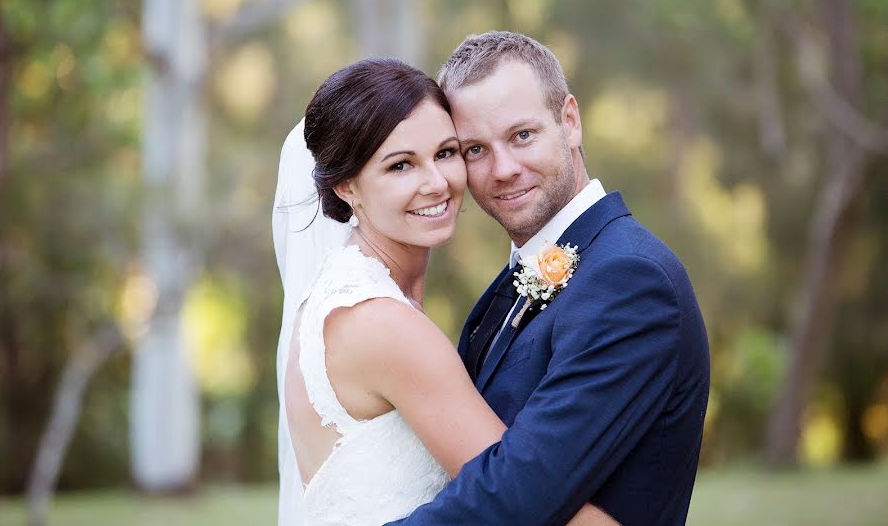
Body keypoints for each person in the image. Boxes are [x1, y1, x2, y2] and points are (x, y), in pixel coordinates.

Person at [272, 57, 615, 525]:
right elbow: (521, 503)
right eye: (401, 166)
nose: (437, 183)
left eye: (446, 153)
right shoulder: (379, 321)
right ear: (347, 186)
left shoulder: (350, 296)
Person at [387, 32, 711, 525]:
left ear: (570, 121)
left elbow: (521, 494)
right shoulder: (525, 274)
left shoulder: (631, 281)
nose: (503, 169)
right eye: (475, 150)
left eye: (522, 135)